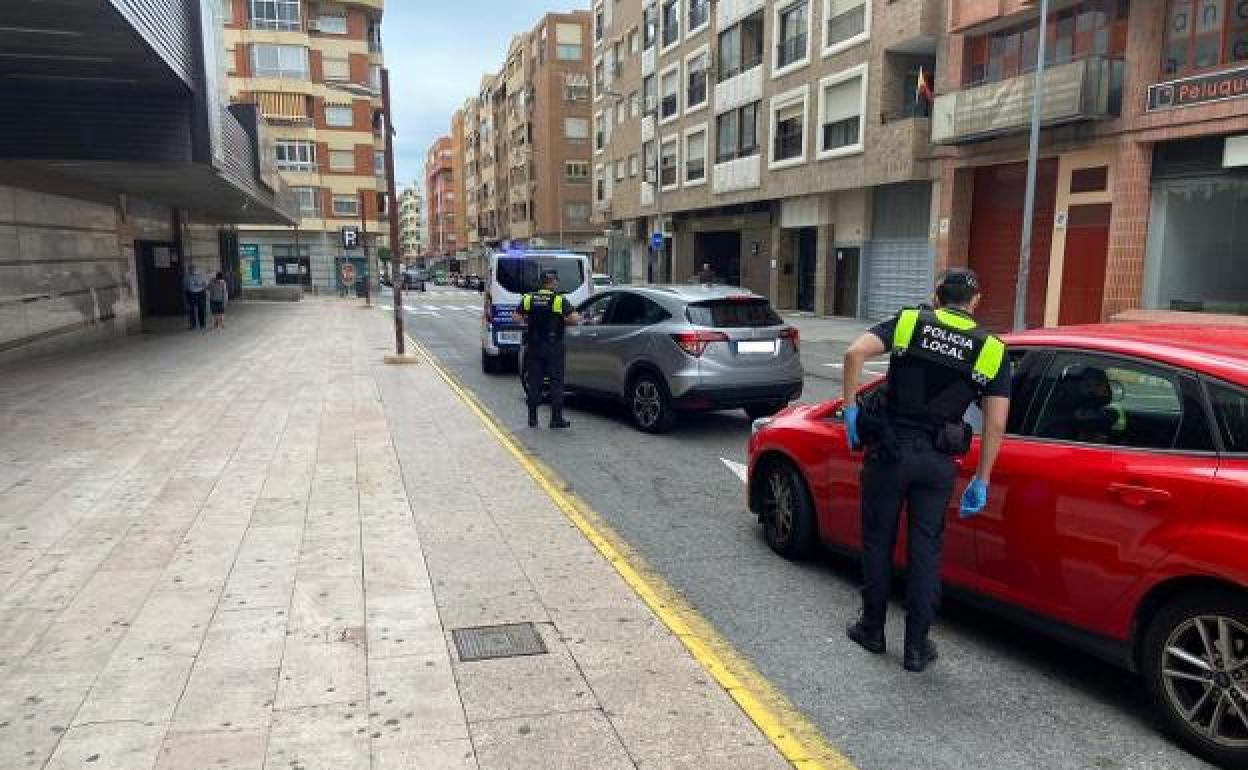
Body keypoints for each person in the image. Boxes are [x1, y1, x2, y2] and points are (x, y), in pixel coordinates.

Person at [841, 267, 1010, 673]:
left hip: (891, 452)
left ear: (937, 295)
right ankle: (916, 648)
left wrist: (849, 409)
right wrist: (982, 479)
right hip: (937, 463)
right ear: (975, 302)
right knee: (926, 551)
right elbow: (997, 422)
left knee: (878, 543)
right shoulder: (991, 349)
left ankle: (872, 630)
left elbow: (853, 354)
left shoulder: (910, 322)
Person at [514, 269, 581, 429]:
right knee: (556, 382)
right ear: (553, 282)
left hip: (534, 346)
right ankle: (556, 419)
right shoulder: (558, 300)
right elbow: (574, 318)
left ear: (541, 282)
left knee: (534, 382)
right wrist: (565, 321)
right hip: (554, 347)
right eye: (556, 281)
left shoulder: (529, 298)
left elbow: (515, 316)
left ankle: (532, 418)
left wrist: (527, 324)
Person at [184, 265, 208, 331]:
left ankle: (201, 324)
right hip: (191, 293)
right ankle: (195, 325)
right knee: (192, 310)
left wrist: (199, 284)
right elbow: (185, 285)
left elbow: (206, 284)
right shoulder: (187, 276)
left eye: (191, 269)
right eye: (190, 269)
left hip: (199, 293)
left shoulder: (200, 275)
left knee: (200, 309)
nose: (190, 270)